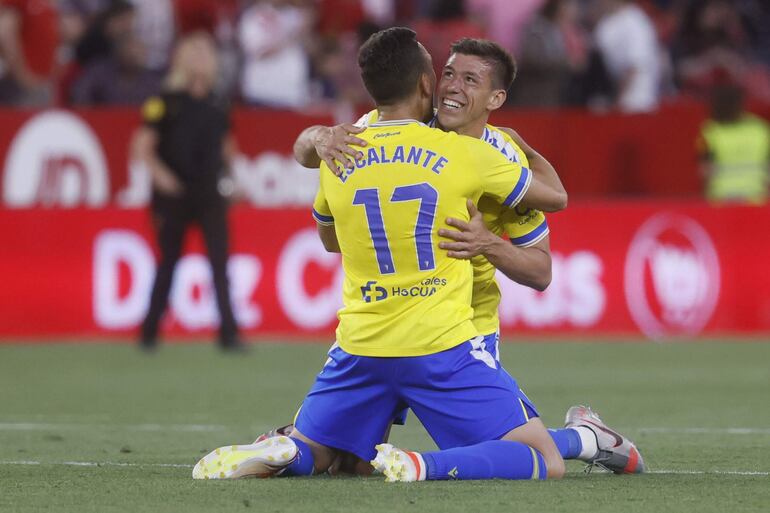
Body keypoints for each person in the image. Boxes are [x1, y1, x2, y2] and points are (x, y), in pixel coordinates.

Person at [194, 28, 638, 482]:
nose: (452, 87)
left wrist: (488, 242)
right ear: (427, 82)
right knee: (515, 456)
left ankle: (291, 447)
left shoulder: (358, 142)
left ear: (495, 98)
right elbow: (557, 197)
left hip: (401, 331)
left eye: (470, 80)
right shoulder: (474, 155)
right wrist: (319, 135)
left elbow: (541, 271)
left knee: (349, 459)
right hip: (444, 338)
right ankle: (578, 440)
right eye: (448, 73)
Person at [133, 32, 243, 351]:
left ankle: (229, 334)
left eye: (206, 53)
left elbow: (226, 145)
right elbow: (143, 146)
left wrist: (235, 176)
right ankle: (149, 333)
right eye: (194, 53)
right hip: (174, 195)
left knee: (220, 264)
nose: (201, 59)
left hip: (209, 192)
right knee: (168, 262)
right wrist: (162, 177)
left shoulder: (218, 101)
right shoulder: (165, 102)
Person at [698, 83, 770, 204]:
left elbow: (704, 170)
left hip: (721, 200)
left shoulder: (708, 131)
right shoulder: (761, 129)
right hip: (756, 198)